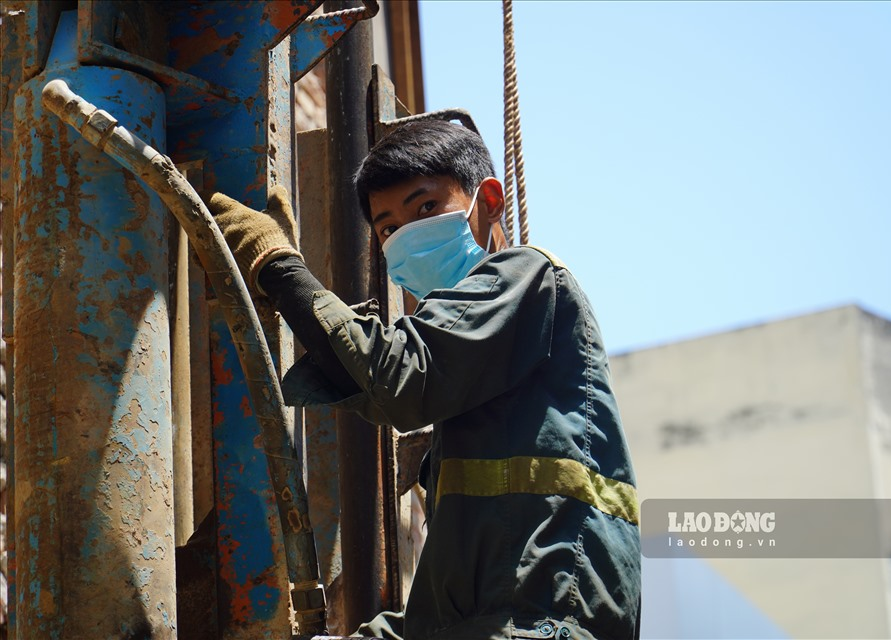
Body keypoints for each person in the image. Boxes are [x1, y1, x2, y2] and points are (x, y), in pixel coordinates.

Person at [206, 119, 642, 640]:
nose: (406, 235)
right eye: (388, 228)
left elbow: (397, 379)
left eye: (426, 208)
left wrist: (279, 269)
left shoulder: (529, 277)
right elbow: (441, 620)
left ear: (490, 200)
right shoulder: (476, 406)